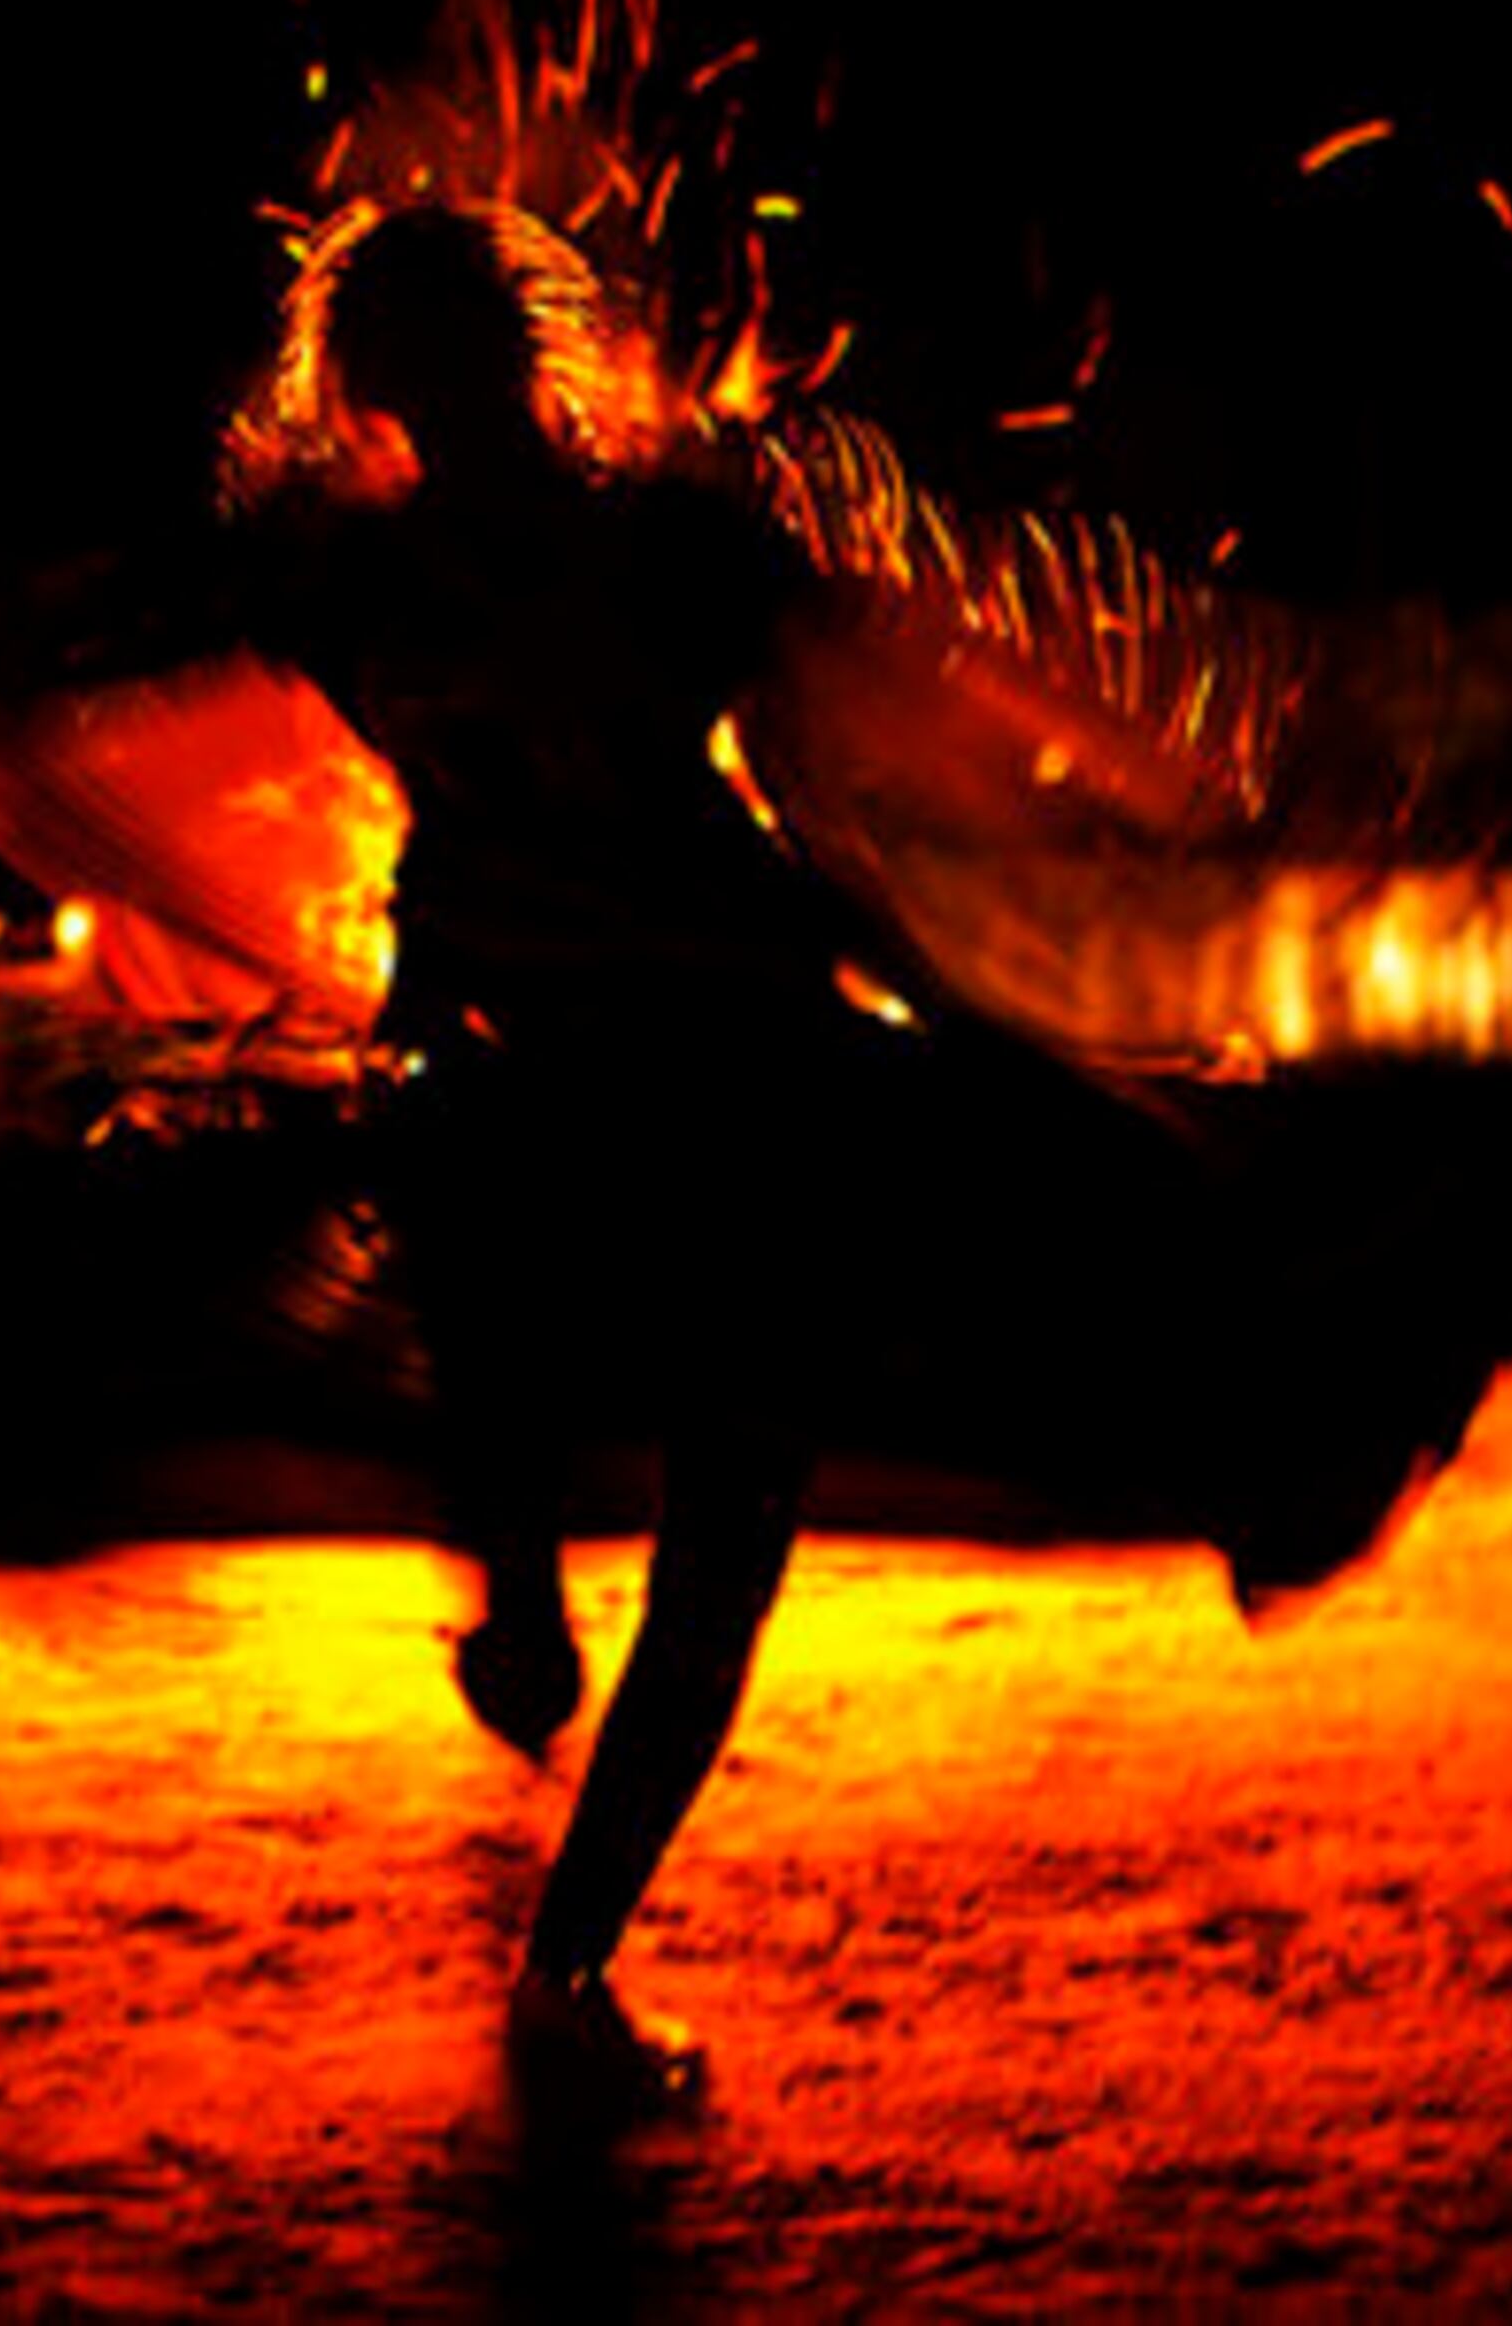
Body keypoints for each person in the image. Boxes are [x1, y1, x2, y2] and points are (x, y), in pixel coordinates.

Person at [219, 206, 878, 2104]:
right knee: (727, 1529)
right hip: (718, 1063)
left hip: (520, 1053)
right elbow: (818, 793)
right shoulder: (671, 538)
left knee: (461, 1215)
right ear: (535, 349)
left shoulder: (354, 580)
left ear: (364, 384)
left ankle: (513, 1577)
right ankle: (568, 1960)